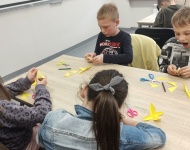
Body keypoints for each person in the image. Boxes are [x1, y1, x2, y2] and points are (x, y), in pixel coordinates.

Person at [37, 69, 166, 150]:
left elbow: (41, 142)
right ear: (118, 107)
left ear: (84, 90)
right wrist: (124, 120)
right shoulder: (119, 134)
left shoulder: (53, 120)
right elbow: (159, 136)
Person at [0, 68, 52, 150]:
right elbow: (44, 113)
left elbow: (5, 90)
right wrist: (41, 87)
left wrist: (26, 81)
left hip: (15, 139)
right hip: (25, 143)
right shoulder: (3, 109)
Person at [159, 6, 190, 78]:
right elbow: (161, 66)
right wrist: (167, 69)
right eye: (177, 33)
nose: (181, 38)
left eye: (187, 33)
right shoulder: (170, 44)